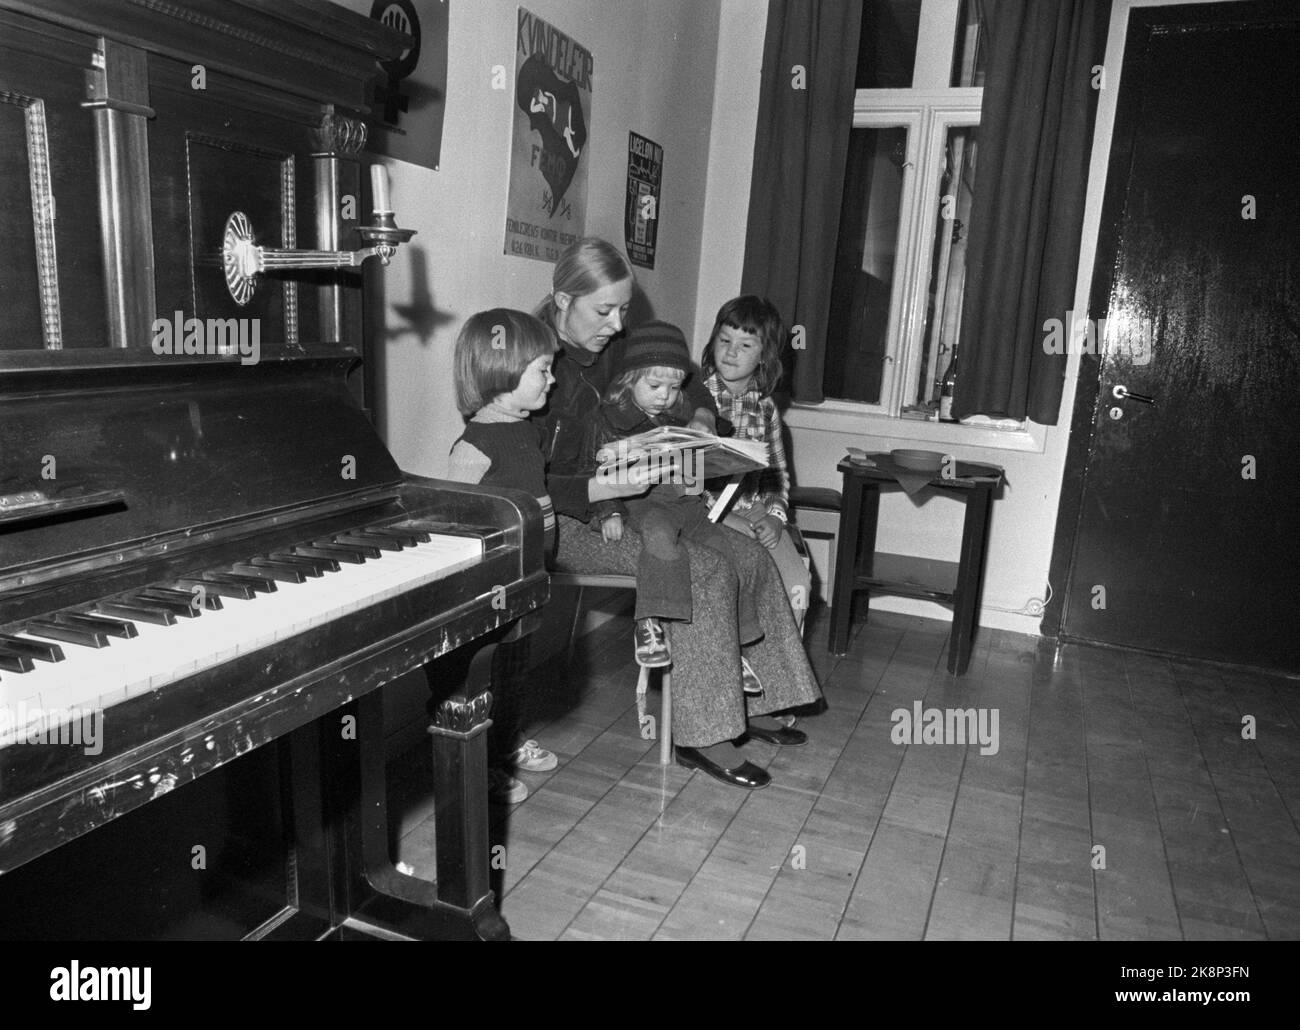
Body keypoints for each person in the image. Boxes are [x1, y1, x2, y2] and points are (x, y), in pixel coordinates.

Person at [534, 237, 822, 791]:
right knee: (704, 568)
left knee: (746, 551)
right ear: (562, 299)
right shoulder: (537, 362)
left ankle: (753, 699)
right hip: (573, 518)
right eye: (605, 311)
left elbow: (691, 385)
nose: (619, 325)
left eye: (623, 309)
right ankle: (704, 734)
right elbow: (529, 481)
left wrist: (702, 423)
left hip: (644, 500)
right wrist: (601, 487)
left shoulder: (613, 347)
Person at [584, 322, 764, 680]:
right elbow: (594, 471)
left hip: (688, 506)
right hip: (644, 503)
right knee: (660, 539)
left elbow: (694, 472)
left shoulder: (680, 416)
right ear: (627, 379)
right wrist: (609, 511)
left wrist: (707, 459)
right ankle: (650, 625)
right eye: (654, 386)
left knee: (725, 554)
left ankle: (735, 642)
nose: (665, 395)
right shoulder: (609, 419)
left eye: (674, 386)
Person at [443, 308, 560, 805]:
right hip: (493, 586)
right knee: (483, 675)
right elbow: (453, 519)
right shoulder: (475, 446)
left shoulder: (527, 431)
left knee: (515, 666)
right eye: (542, 370)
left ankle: (506, 742)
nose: (552, 381)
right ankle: (482, 763)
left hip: (528, 576)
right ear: (501, 372)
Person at [700, 296, 812, 630]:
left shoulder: (765, 410)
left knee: (797, 587)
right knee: (734, 586)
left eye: (745, 345)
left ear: (764, 356)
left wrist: (776, 517)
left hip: (757, 512)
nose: (731, 352)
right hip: (705, 515)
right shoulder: (695, 402)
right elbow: (687, 482)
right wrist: (727, 517)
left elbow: (776, 475)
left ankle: (780, 670)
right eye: (724, 340)